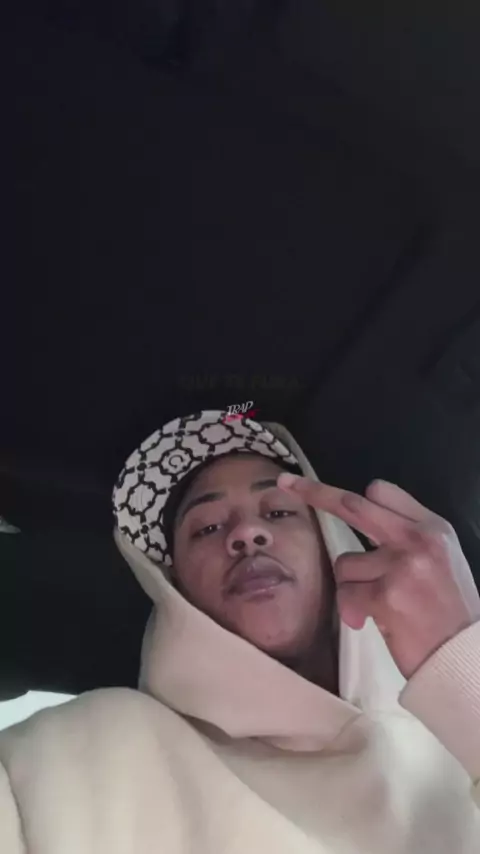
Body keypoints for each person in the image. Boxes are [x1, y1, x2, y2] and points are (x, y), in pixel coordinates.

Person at [1, 409, 480, 853]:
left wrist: (464, 664)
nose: (246, 534)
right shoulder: (87, 758)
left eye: (278, 512)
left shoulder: (454, 740)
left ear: (331, 546)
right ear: (174, 590)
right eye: (207, 528)